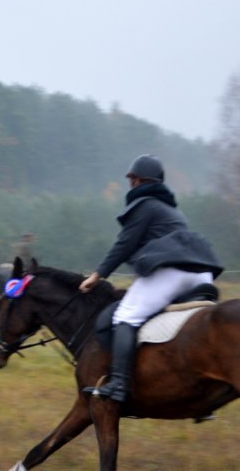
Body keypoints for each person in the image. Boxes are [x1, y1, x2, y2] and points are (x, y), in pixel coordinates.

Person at [79, 155, 222, 402]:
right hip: (201, 274)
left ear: (138, 180)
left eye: (132, 179)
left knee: (125, 316)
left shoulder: (144, 205)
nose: (130, 184)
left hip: (173, 272)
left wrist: (97, 275)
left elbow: (124, 245)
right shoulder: (172, 210)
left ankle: (119, 386)